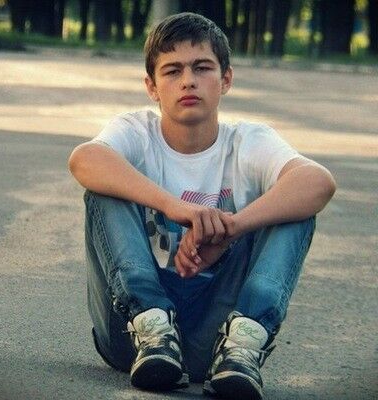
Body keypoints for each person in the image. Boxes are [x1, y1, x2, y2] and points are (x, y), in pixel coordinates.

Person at [68, 12, 336, 400]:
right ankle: (153, 323)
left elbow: (318, 182)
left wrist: (231, 229)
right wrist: (177, 208)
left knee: (295, 206)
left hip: (217, 339)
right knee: (103, 188)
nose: (188, 80)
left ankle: (245, 342)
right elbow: (84, 159)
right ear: (152, 87)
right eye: (172, 70)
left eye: (202, 67)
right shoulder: (137, 132)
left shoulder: (247, 141)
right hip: (131, 336)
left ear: (225, 79)